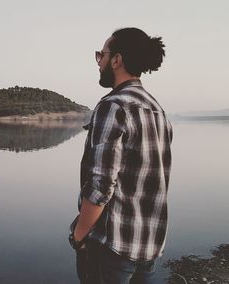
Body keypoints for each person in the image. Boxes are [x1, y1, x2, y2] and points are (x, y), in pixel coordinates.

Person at [68, 27, 173, 284]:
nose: (99, 61)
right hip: (149, 245)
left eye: (101, 54)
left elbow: (101, 185)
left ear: (116, 60)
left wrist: (79, 235)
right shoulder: (157, 110)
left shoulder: (113, 106)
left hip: (112, 247)